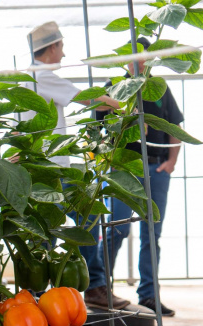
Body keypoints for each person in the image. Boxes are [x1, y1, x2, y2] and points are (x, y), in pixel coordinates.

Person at [25, 21, 131, 310]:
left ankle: (37, 295)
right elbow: (89, 101)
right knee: (85, 218)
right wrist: (124, 105)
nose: (64, 52)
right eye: (61, 46)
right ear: (52, 47)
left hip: (44, 166)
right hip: (52, 168)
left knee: (45, 229)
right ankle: (91, 288)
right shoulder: (41, 75)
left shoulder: (29, 77)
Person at [96, 37, 182, 316]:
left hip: (157, 168)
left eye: (144, 56)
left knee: (151, 234)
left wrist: (171, 162)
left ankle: (148, 295)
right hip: (124, 168)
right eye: (133, 55)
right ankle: (97, 288)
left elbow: (174, 125)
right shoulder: (114, 88)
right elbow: (96, 127)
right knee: (117, 228)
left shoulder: (158, 87)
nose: (139, 60)